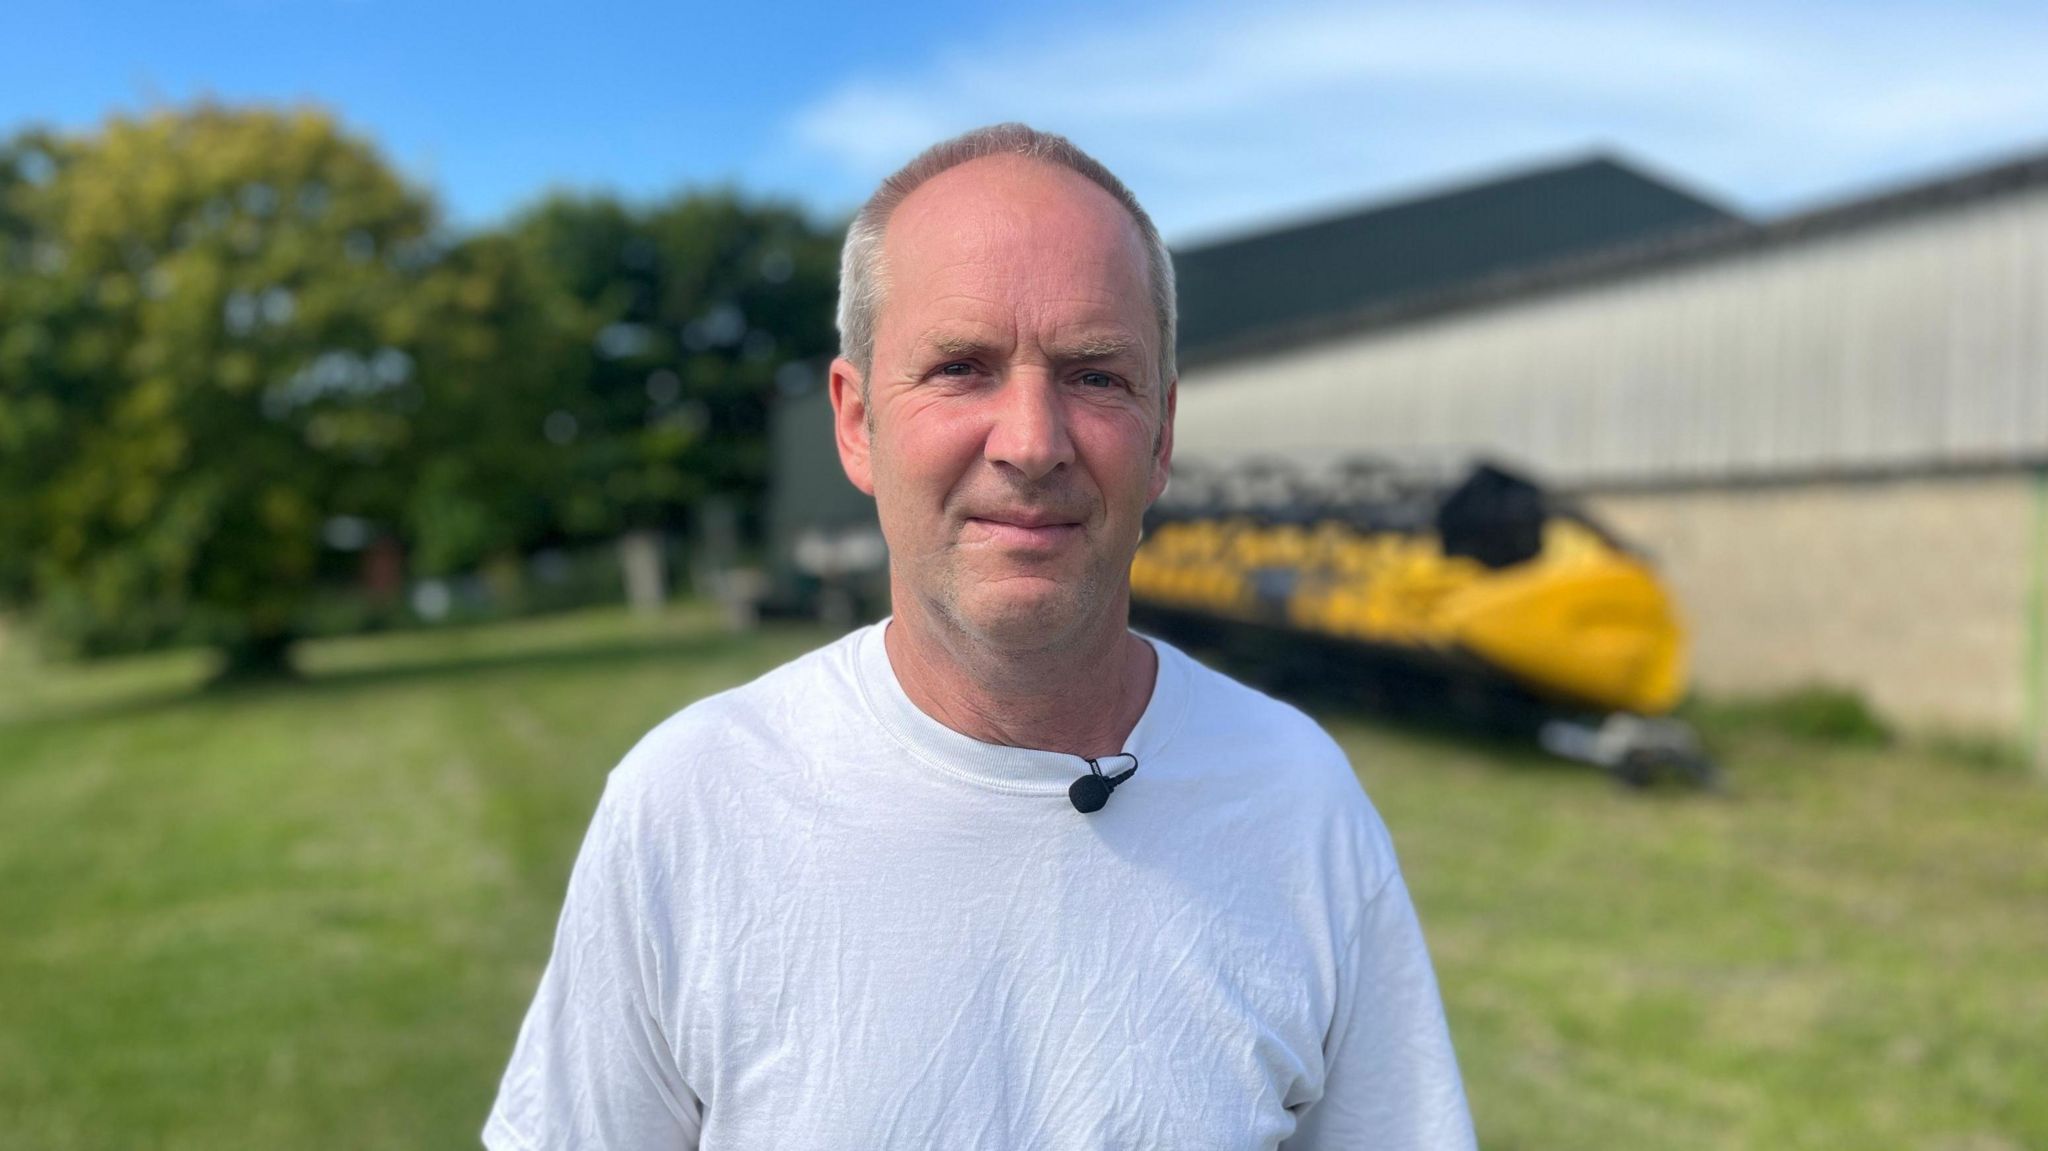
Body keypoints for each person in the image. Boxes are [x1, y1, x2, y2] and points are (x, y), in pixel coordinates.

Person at [484, 123, 1476, 1150]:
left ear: (1162, 435)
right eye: (960, 366)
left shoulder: (1294, 797)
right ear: (857, 420)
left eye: (1094, 374)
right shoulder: (690, 804)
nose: (1032, 442)